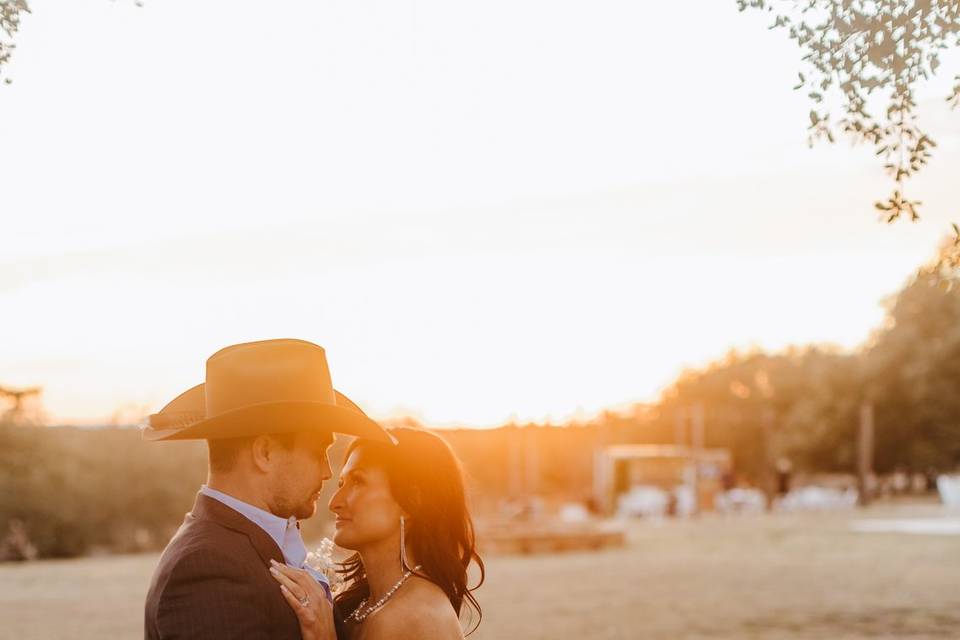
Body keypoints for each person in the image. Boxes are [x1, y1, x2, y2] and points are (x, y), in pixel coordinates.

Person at [143, 338, 394, 640]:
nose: (327, 472)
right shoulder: (208, 570)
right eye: (318, 452)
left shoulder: (239, 547)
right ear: (265, 453)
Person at [269, 428, 485, 639]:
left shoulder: (418, 616)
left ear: (412, 502)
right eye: (342, 483)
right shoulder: (365, 605)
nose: (335, 503)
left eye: (358, 481)